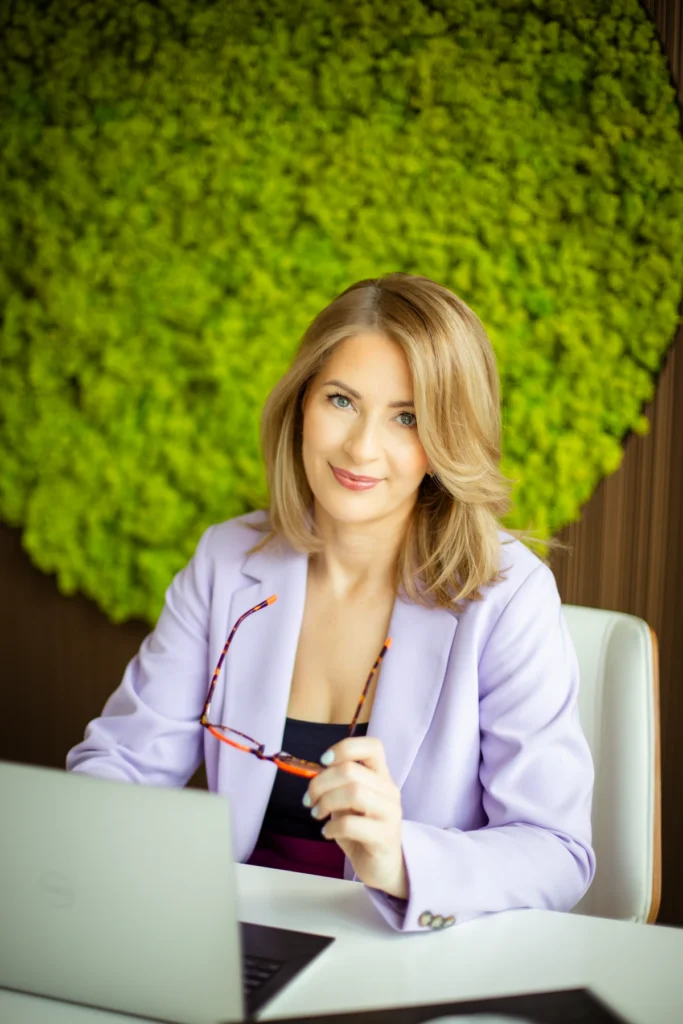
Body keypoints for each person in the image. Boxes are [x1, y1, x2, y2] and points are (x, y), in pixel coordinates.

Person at [67, 273, 595, 933]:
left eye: (407, 417)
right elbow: (121, 763)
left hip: (403, 951)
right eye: (341, 400)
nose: (360, 448)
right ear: (301, 405)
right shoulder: (226, 560)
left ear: (446, 440)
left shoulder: (509, 595)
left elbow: (556, 852)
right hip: (226, 938)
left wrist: (400, 859)